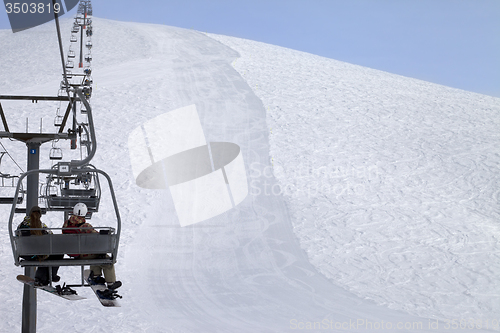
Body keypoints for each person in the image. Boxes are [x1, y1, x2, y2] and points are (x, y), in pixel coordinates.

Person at [62, 203, 122, 290]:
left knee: (96, 254)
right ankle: (111, 282)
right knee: (106, 260)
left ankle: (96, 276)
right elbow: (97, 238)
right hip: (83, 254)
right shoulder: (86, 227)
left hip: (72, 252)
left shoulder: (66, 224)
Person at [17, 206, 63, 286]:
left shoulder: (21, 226)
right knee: (55, 253)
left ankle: (41, 278)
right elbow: (51, 237)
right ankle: (50, 275)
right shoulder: (42, 226)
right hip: (38, 254)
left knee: (43, 254)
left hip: (25, 253)